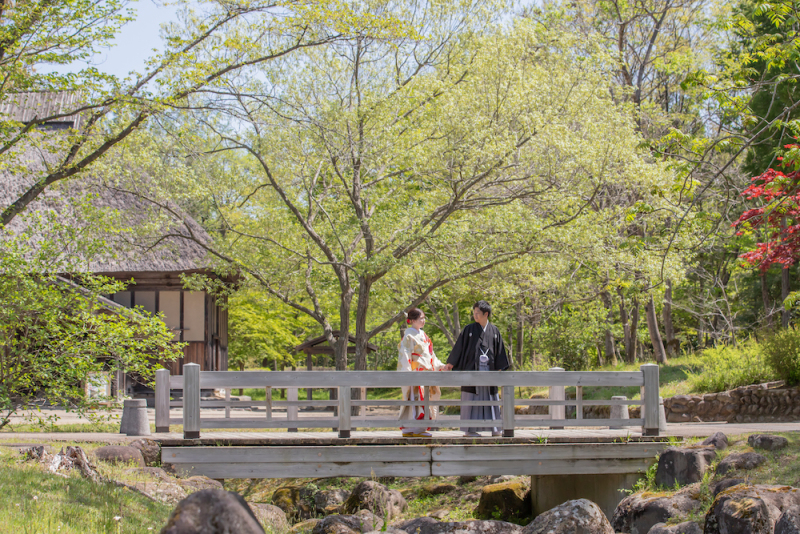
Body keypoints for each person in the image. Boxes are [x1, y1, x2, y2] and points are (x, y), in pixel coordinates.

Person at [443, 300, 509, 437]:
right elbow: (459, 347)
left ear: (486, 314)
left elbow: (500, 352)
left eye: (478, 313)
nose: (475, 315)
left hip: (489, 371)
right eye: (474, 313)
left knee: (491, 399)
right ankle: (469, 430)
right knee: (470, 398)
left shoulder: (495, 331)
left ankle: (495, 428)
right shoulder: (469, 330)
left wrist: (500, 369)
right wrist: (451, 363)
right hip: (472, 371)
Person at [397, 308, 447, 438]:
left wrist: (440, 365)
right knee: (416, 400)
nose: (423, 321)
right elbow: (405, 355)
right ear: (412, 320)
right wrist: (407, 372)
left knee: (423, 400)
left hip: (425, 371)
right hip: (415, 372)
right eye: (421, 318)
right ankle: (415, 428)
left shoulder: (424, 336)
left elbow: (431, 354)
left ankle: (412, 428)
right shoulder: (408, 336)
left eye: (424, 318)